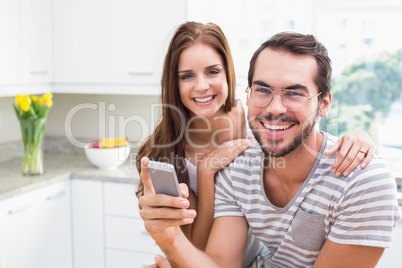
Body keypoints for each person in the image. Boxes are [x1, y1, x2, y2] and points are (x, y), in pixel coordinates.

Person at [138, 31, 400, 268]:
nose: (275, 108)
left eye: (294, 93)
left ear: (324, 104)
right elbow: (216, 259)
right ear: (249, 94)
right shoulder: (235, 168)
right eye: (263, 90)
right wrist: (171, 239)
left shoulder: (364, 182)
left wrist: (362, 136)